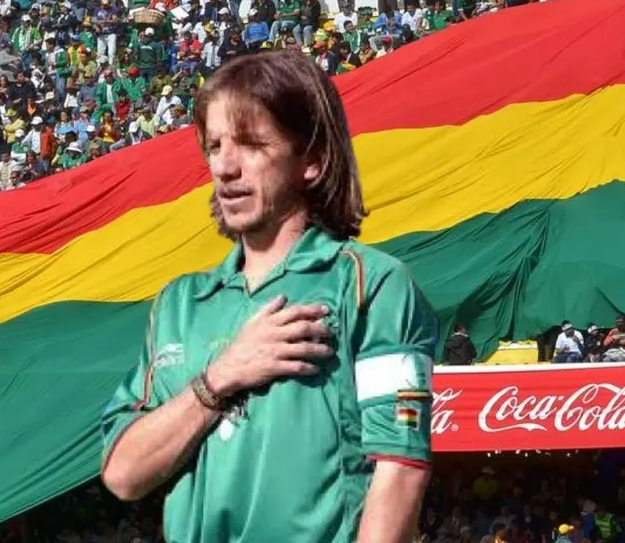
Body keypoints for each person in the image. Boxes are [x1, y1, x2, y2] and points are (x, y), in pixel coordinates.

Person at [99, 51, 437, 542]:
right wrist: (222, 377)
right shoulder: (179, 304)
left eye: (252, 144)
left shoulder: (372, 285)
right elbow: (123, 474)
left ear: (312, 161)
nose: (224, 166)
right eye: (214, 146)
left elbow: (401, 468)